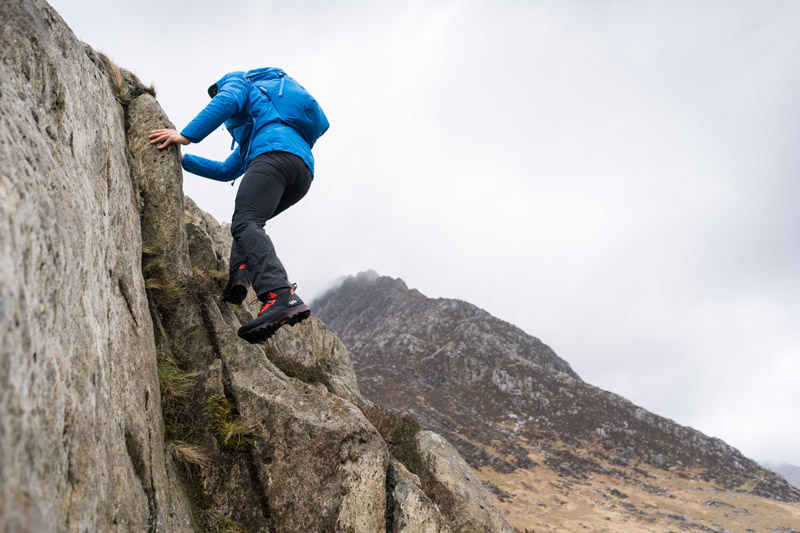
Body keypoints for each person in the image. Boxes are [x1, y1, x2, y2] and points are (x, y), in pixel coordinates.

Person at [149, 68, 327, 343]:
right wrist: (183, 159)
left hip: (274, 157)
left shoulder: (237, 82)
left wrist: (185, 135)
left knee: (245, 222)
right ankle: (239, 277)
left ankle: (279, 295)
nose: (229, 121)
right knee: (250, 221)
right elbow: (227, 170)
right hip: (302, 173)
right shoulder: (261, 127)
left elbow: (227, 101)